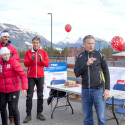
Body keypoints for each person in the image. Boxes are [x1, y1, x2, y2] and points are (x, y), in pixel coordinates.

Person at [74, 35, 110, 125]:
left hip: (99, 91)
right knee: (87, 118)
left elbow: (106, 72)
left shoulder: (100, 55)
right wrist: (86, 64)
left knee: (101, 118)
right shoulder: (80, 56)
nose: (91, 45)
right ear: (84, 44)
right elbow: (77, 73)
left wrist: (107, 89)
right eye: (89, 43)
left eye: (93, 43)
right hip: (86, 91)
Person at [23, 36, 49, 123]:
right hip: (31, 77)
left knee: (40, 95)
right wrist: (31, 60)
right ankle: (28, 115)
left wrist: (41, 60)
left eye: (37, 42)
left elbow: (47, 64)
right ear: (32, 43)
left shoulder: (43, 52)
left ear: (39, 43)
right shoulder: (28, 52)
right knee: (29, 96)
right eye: (34, 42)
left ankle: (39, 113)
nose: (35, 44)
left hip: (40, 76)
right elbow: (26, 64)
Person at [0, 47, 28, 125]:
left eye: (8, 54)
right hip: (2, 89)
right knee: (2, 107)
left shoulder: (13, 62)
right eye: (4, 55)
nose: (7, 56)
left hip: (14, 88)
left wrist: (25, 87)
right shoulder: (0, 63)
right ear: (1, 55)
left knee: (13, 107)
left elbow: (22, 75)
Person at [0, 30, 20, 125]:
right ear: (1, 37)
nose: (6, 38)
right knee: (2, 105)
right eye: (4, 37)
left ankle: (12, 118)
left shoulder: (12, 49)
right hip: (2, 80)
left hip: (11, 80)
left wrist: (9, 59)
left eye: (7, 37)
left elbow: (17, 60)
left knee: (12, 104)